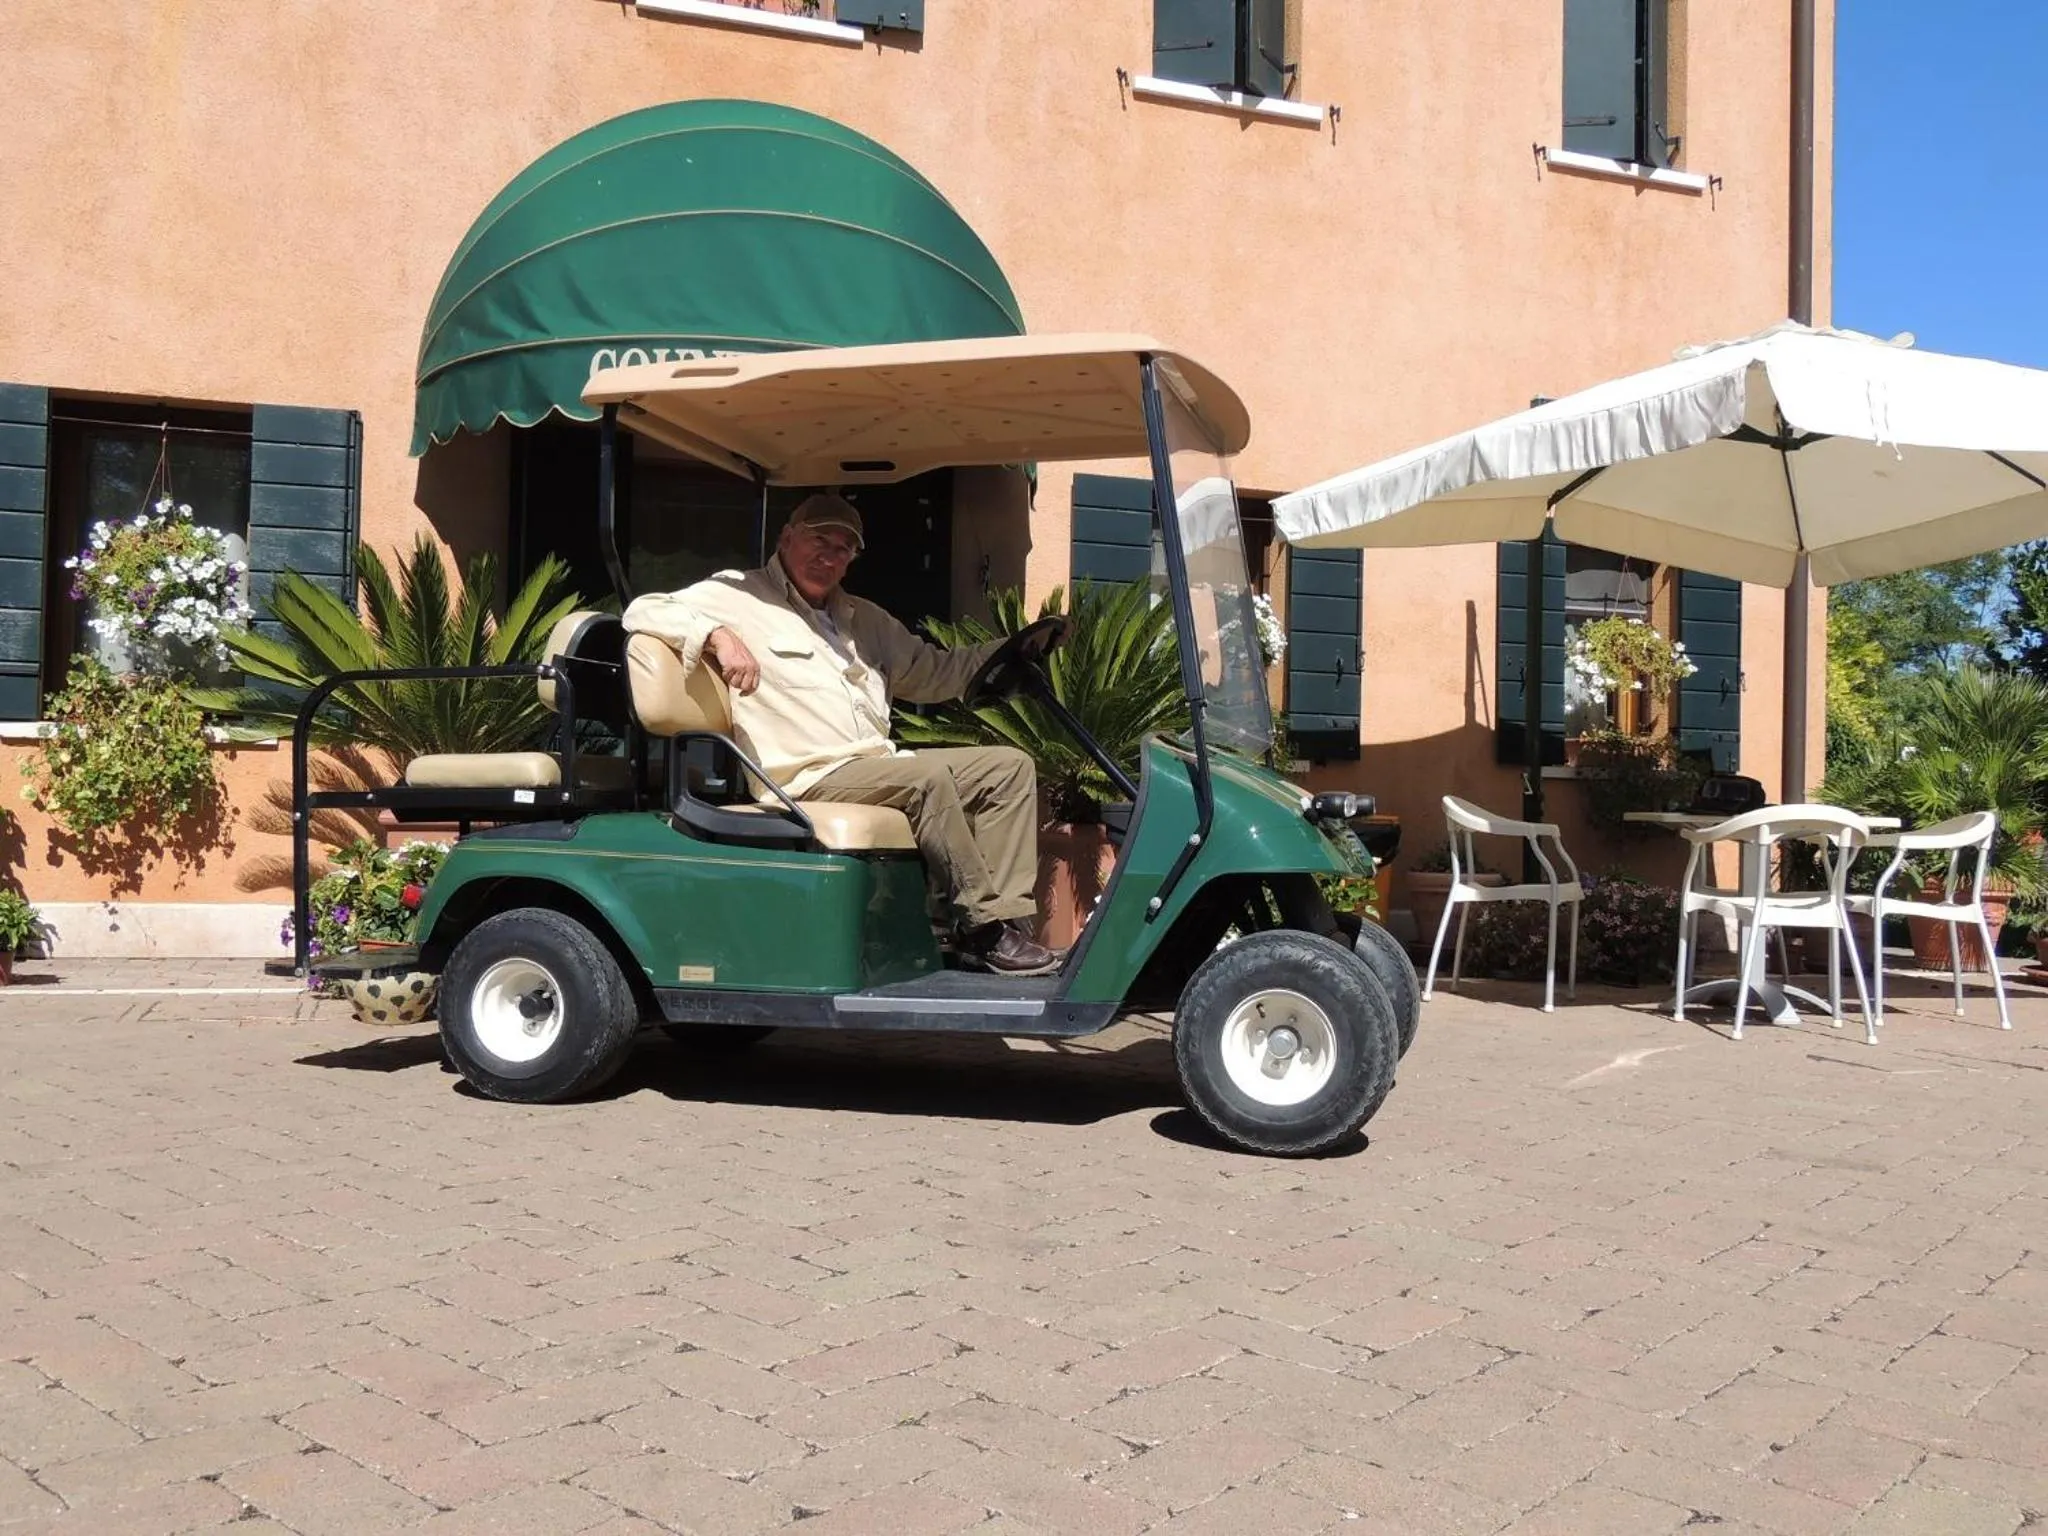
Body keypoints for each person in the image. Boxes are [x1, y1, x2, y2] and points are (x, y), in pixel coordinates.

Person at [623, 492, 1067, 975]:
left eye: (842, 548)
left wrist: (1016, 647)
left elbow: (933, 672)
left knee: (1008, 767)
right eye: (818, 540)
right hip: (801, 776)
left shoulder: (864, 619)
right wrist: (719, 636)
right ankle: (983, 929)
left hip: (873, 764)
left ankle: (1006, 925)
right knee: (926, 781)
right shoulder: (737, 594)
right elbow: (644, 610)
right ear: (787, 538)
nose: (828, 556)